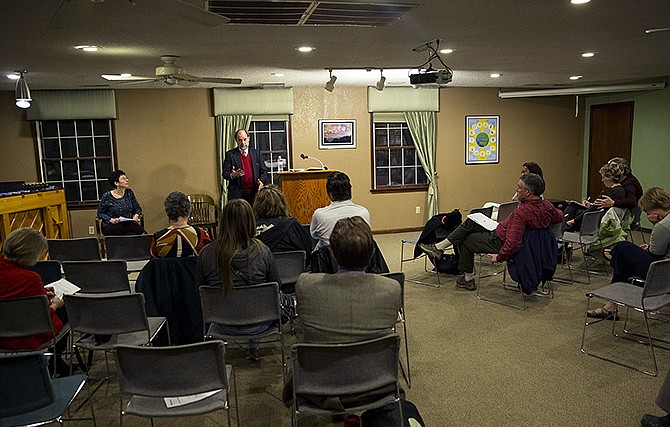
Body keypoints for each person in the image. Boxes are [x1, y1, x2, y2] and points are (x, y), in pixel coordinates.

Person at [283, 216, 401, 406]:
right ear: (372, 253)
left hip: (317, 387)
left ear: (334, 255)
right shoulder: (392, 289)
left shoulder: (305, 285)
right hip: (376, 385)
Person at [424, 173, 564, 291]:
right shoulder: (547, 206)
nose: (516, 190)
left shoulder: (522, 213)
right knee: (471, 222)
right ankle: (439, 248)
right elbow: (560, 216)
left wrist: (499, 257)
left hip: (499, 239)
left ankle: (467, 279)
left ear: (528, 192)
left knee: (465, 239)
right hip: (506, 231)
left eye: (519, 187)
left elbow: (513, 243)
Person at [196, 198, 294, 361]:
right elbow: (277, 286)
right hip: (260, 322)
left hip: (221, 322)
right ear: (250, 221)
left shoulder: (206, 254)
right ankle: (252, 346)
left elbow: (199, 290)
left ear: (224, 221)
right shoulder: (263, 251)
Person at [587, 187, 670, 318]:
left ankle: (610, 305)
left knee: (622, 248)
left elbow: (655, 256)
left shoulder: (663, 226)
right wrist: (650, 246)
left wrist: (655, 226)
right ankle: (610, 304)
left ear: (653, 207)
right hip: (665, 269)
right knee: (623, 256)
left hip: (661, 274)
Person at [0, 227, 69, 376]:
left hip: (3, 330)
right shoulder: (30, 278)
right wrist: (55, 304)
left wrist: (41, 292)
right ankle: (56, 360)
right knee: (66, 309)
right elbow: (42, 316)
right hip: (27, 333)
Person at [310, 171, 370, 251]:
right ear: (350, 191)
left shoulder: (319, 214)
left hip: (329, 258)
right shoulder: (363, 212)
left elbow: (314, 235)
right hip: (357, 255)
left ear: (330, 194)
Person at [252, 184, 312, 256]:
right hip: (291, 266)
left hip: (260, 266)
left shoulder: (250, 229)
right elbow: (307, 250)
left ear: (257, 204)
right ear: (282, 203)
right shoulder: (293, 226)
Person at [565, 162, 625, 231]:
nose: (602, 180)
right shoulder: (621, 190)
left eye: (603, 178)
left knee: (572, 206)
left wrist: (574, 221)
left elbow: (594, 209)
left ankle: (565, 227)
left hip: (592, 222)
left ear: (609, 178)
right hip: (598, 219)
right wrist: (591, 204)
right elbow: (598, 206)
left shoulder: (609, 192)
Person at [151, 191, 212, 257]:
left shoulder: (158, 238)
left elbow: (154, 263)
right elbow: (209, 259)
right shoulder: (202, 235)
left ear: (168, 213)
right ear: (189, 211)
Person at [222, 129, 269, 205]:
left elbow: (264, 171)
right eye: (240, 140)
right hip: (237, 194)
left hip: (254, 193)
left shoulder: (256, 153)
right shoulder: (230, 155)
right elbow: (225, 173)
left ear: (248, 138)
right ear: (236, 140)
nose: (243, 143)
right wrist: (232, 175)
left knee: (254, 215)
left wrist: (261, 181)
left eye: (244, 139)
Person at [97, 170, 144, 235]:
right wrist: (110, 219)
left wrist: (136, 216)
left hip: (126, 223)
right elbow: (100, 213)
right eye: (123, 179)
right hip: (111, 224)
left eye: (126, 178)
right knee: (120, 228)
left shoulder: (129, 193)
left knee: (135, 228)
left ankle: (148, 240)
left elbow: (137, 208)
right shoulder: (107, 196)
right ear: (116, 183)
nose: (127, 180)